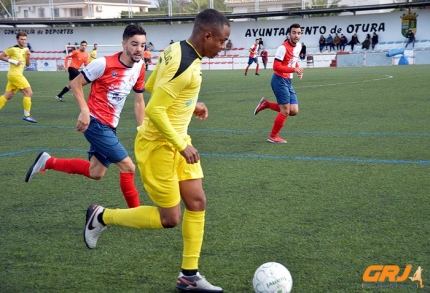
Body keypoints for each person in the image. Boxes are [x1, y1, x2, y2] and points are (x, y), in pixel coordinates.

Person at [82, 9, 230, 293]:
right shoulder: (184, 63)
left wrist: (190, 104)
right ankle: (101, 216)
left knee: (197, 202)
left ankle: (189, 275)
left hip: (175, 139)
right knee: (170, 219)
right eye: (221, 41)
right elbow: (154, 109)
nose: (223, 47)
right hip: (159, 146)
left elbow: (152, 85)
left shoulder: (177, 49)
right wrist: (181, 144)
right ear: (207, 35)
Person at [25, 25, 147, 210]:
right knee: (128, 167)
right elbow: (76, 83)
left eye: (142, 45)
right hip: (95, 123)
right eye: (134, 44)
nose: (139, 49)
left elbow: (139, 101)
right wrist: (84, 111)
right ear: (124, 44)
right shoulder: (104, 63)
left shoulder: (140, 66)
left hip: (111, 125)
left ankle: (47, 161)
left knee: (96, 172)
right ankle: (136, 213)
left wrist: (143, 129)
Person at [253, 23, 303, 143]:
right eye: (294, 33)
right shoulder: (283, 48)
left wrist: (298, 69)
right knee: (285, 111)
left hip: (288, 81)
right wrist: (293, 69)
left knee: (294, 111)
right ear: (289, 34)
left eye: (299, 33)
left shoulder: (299, 46)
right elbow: (276, 66)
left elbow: (293, 61)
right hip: (279, 80)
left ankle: (266, 104)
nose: (296, 35)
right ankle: (273, 136)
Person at [0, 32, 37, 123]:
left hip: (15, 75)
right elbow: (1, 56)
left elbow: (27, 64)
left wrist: (28, 56)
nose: (23, 41)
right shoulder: (12, 49)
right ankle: (26, 115)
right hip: (15, 75)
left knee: (8, 95)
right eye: (21, 39)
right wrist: (12, 61)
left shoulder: (26, 49)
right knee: (29, 93)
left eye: (25, 39)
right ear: (17, 39)